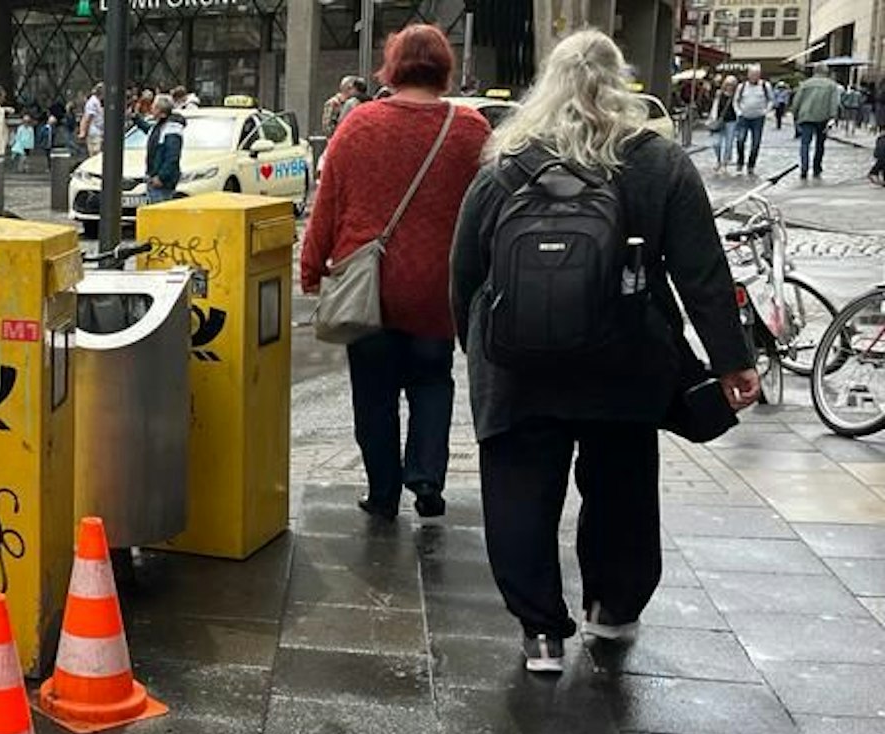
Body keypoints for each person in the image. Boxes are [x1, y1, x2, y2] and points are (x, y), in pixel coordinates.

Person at [451, 30, 758, 673]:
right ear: (620, 84)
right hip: (624, 363)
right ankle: (612, 612)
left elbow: (465, 273)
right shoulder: (657, 161)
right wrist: (733, 360)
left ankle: (540, 632)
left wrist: (476, 351)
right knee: (620, 487)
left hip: (518, 368)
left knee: (519, 492)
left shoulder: (504, 164)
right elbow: (702, 271)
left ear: (546, 84)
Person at [300, 24, 489, 522]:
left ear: (393, 66)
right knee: (433, 381)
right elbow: (489, 212)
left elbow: (328, 205)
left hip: (371, 287)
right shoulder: (470, 130)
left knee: (374, 393)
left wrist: (312, 266)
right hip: (437, 287)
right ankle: (426, 478)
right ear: (444, 68)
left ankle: (383, 492)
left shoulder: (359, 124)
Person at [794, 66, 840, 179]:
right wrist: (833, 117)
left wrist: (795, 115)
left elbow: (797, 101)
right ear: (826, 72)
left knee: (805, 144)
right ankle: (817, 167)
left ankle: (804, 168)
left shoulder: (805, 84)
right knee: (820, 144)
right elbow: (834, 103)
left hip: (806, 116)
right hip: (822, 118)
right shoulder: (831, 85)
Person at [143, 93, 185, 203]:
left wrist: (161, 177)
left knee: (159, 211)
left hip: (161, 182)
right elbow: (149, 130)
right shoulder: (160, 126)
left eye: (154, 106)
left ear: (161, 112)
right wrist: (136, 119)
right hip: (154, 178)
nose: (151, 109)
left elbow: (172, 156)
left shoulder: (171, 130)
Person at [735, 64, 770, 174]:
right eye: (752, 74)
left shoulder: (765, 86)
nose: (754, 77)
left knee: (755, 143)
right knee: (740, 140)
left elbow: (771, 100)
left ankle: (751, 165)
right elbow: (736, 100)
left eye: (756, 74)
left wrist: (766, 111)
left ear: (759, 75)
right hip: (744, 117)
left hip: (758, 118)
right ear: (748, 75)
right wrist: (739, 112)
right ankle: (740, 161)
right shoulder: (742, 87)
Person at [708, 75, 738, 172]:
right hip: (719, 120)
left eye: (732, 85)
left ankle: (724, 163)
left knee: (728, 143)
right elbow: (715, 106)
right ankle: (718, 160)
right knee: (716, 143)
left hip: (732, 121)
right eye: (728, 84)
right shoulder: (719, 93)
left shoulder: (736, 95)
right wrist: (712, 118)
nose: (730, 87)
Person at [81, 82, 105, 157]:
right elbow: (87, 118)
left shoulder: (97, 102)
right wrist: (84, 132)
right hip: (94, 133)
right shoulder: (92, 102)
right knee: (95, 154)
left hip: (98, 131)